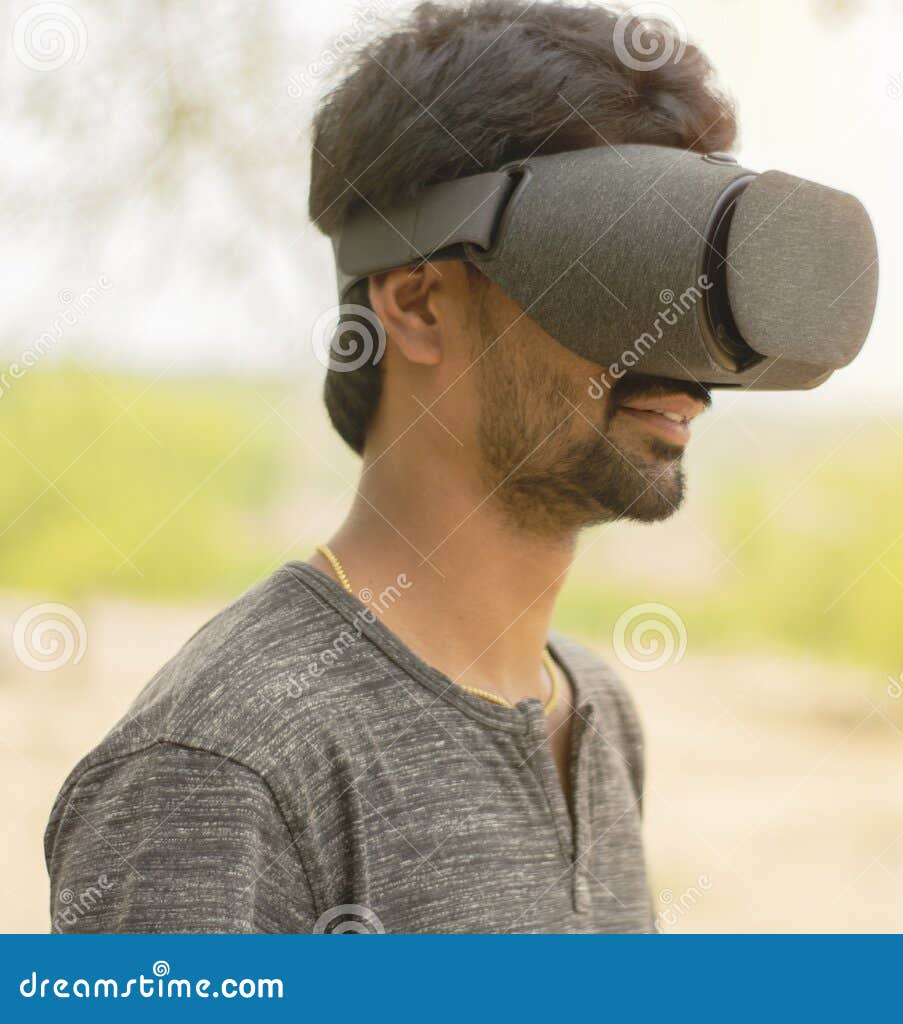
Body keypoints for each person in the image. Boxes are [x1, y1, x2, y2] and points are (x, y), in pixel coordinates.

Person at [45, 0, 737, 933]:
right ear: (416, 303)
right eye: (620, 272)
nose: (684, 361)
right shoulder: (224, 765)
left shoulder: (597, 709)